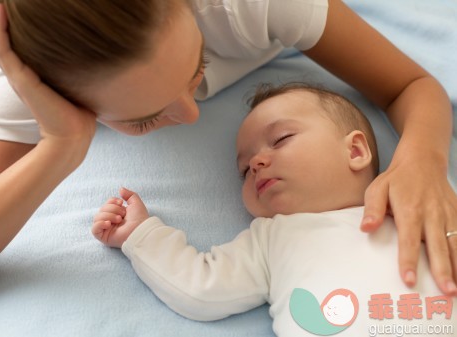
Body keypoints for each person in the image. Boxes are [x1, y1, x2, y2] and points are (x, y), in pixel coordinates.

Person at [0, 0, 456, 300]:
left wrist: (423, 160)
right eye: (143, 118)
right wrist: (60, 147)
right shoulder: (21, 89)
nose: (192, 114)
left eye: (197, 64)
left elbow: (410, 83)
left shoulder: (251, 7)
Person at [91, 84, 456, 336]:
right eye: (244, 170)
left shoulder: (406, 199)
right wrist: (141, 234)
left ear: (356, 152)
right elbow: (201, 288)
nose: (258, 164)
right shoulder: (270, 239)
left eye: (280, 140)